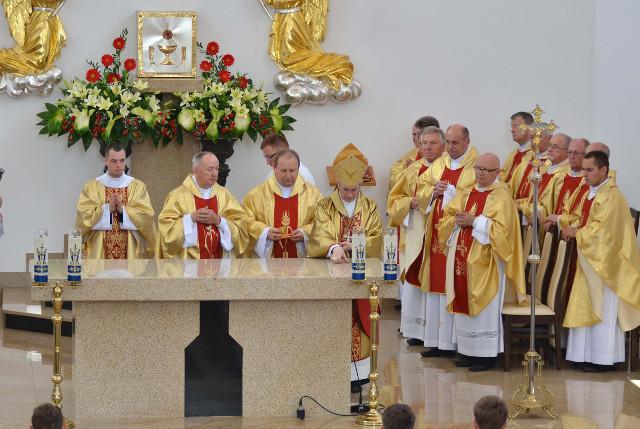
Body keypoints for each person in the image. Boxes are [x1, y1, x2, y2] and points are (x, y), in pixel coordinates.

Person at [437, 153, 526, 371]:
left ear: (497, 172)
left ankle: (485, 355)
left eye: (487, 170)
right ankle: (467, 350)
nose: (481, 173)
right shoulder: (467, 192)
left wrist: (475, 221)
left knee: (484, 308)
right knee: (462, 301)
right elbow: (447, 217)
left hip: (487, 263)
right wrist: (456, 221)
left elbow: (505, 234)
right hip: (462, 256)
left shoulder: (502, 197)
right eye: (478, 168)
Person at [307, 149, 382, 390]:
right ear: (337, 183)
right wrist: (335, 247)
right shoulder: (324, 205)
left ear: (360, 185)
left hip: (360, 273)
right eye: (345, 189)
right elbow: (320, 234)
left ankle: (357, 376)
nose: (350, 194)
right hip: (333, 273)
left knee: (359, 322)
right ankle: (332, 371)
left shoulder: (370, 206)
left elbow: (376, 236)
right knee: (334, 321)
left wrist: (358, 244)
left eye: (354, 190)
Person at [561, 151, 640, 372]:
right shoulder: (592, 192)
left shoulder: (611, 197)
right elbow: (581, 219)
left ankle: (602, 359)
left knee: (602, 308)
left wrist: (578, 233)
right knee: (585, 304)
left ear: (603, 170)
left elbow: (604, 233)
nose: (584, 174)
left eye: (589, 170)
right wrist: (570, 226)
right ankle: (582, 355)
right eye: (583, 170)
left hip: (607, 265)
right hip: (590, 260)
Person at [408, 124, 478, 358]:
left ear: (467, 141)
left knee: (453, 285)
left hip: (458, 236)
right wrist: (433, 192)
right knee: (435, 282)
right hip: (436, 233)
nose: (450, 147)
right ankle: (436, 341)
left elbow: (477, 197)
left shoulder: (475, 167)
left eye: (455, 142)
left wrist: (453, 195)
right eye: (448, 142)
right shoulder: (440, 163)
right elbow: (421, 189)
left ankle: (454, 344)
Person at [387, 126, 445, 346]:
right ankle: (416, 329)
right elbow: (394, 200)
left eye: (432, 143)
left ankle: (435, 333)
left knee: (435, 280)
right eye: (424, 143)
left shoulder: (448, 169)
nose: (427, 147)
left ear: (442, 145)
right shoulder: (413, 169)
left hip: (439, 235)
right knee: (414, 278)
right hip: (415, 234)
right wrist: (410, 203)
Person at [158, 152, 250, 259]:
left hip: (219, 262)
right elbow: (166, 232)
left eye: (217, 169)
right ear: (196, 170)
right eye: (210, 169)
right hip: (189, 264)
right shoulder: (178, 196)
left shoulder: (224, 195)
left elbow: (241, 227)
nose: (215, 174)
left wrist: (219, 221)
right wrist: (190, 219)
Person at [75, 143, 156, 259]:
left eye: (122, 160)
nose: (118, 165)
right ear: (106, 161)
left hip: (130, 252)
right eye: (114, 161)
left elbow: (146, 216)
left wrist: (123, 211)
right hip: (99, 252)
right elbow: (83, 217)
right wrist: (107, 209)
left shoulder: (137, 186)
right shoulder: (92, 187)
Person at [242, 149, 322, 258]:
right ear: (274, 168)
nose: (288, 175)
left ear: (298, 169)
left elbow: (323, 221)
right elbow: (244, 220)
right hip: (268, 262)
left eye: (292, 170)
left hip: (302, 261)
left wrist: (305, 233)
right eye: (284, 171)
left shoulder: (313, 194)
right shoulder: (256, 195)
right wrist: (265, 232)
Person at [517, 133, 571, 224]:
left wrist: (522, 207)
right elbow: (533, 198)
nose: (550, 149)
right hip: (532, 220)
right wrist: (518, 204)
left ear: (567, 151)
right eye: (550, 145)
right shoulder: (545, 169)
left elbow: (550, 208)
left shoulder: (565, 175)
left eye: (555, 147)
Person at [542, 138, 589, 231]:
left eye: (576, 153)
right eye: (569, 152)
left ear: (587, 155)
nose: (571, 156)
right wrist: (546, 218)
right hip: (554, 231)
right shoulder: (560, 177)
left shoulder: (588, 182)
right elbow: (547, 205)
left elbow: (584, 217)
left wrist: (558, 219)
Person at [389, 116, 440, 189]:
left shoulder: (448, 155)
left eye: (419, 134)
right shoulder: (409, 157)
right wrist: (408, 171)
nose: (415, 138)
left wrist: (415, 170)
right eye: (414, 134)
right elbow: (394, 181)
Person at [508, 128, 551, 200]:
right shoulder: (526, 159)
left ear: (550, 138)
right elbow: (511, 186)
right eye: (532, 137)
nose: (535, 141)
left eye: (538, 137)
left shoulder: (552, 163)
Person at [501, 111, 534, 183]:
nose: (512, 130)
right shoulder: (512, 155)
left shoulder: (536, 155)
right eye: (512, 127)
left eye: (516, 126)